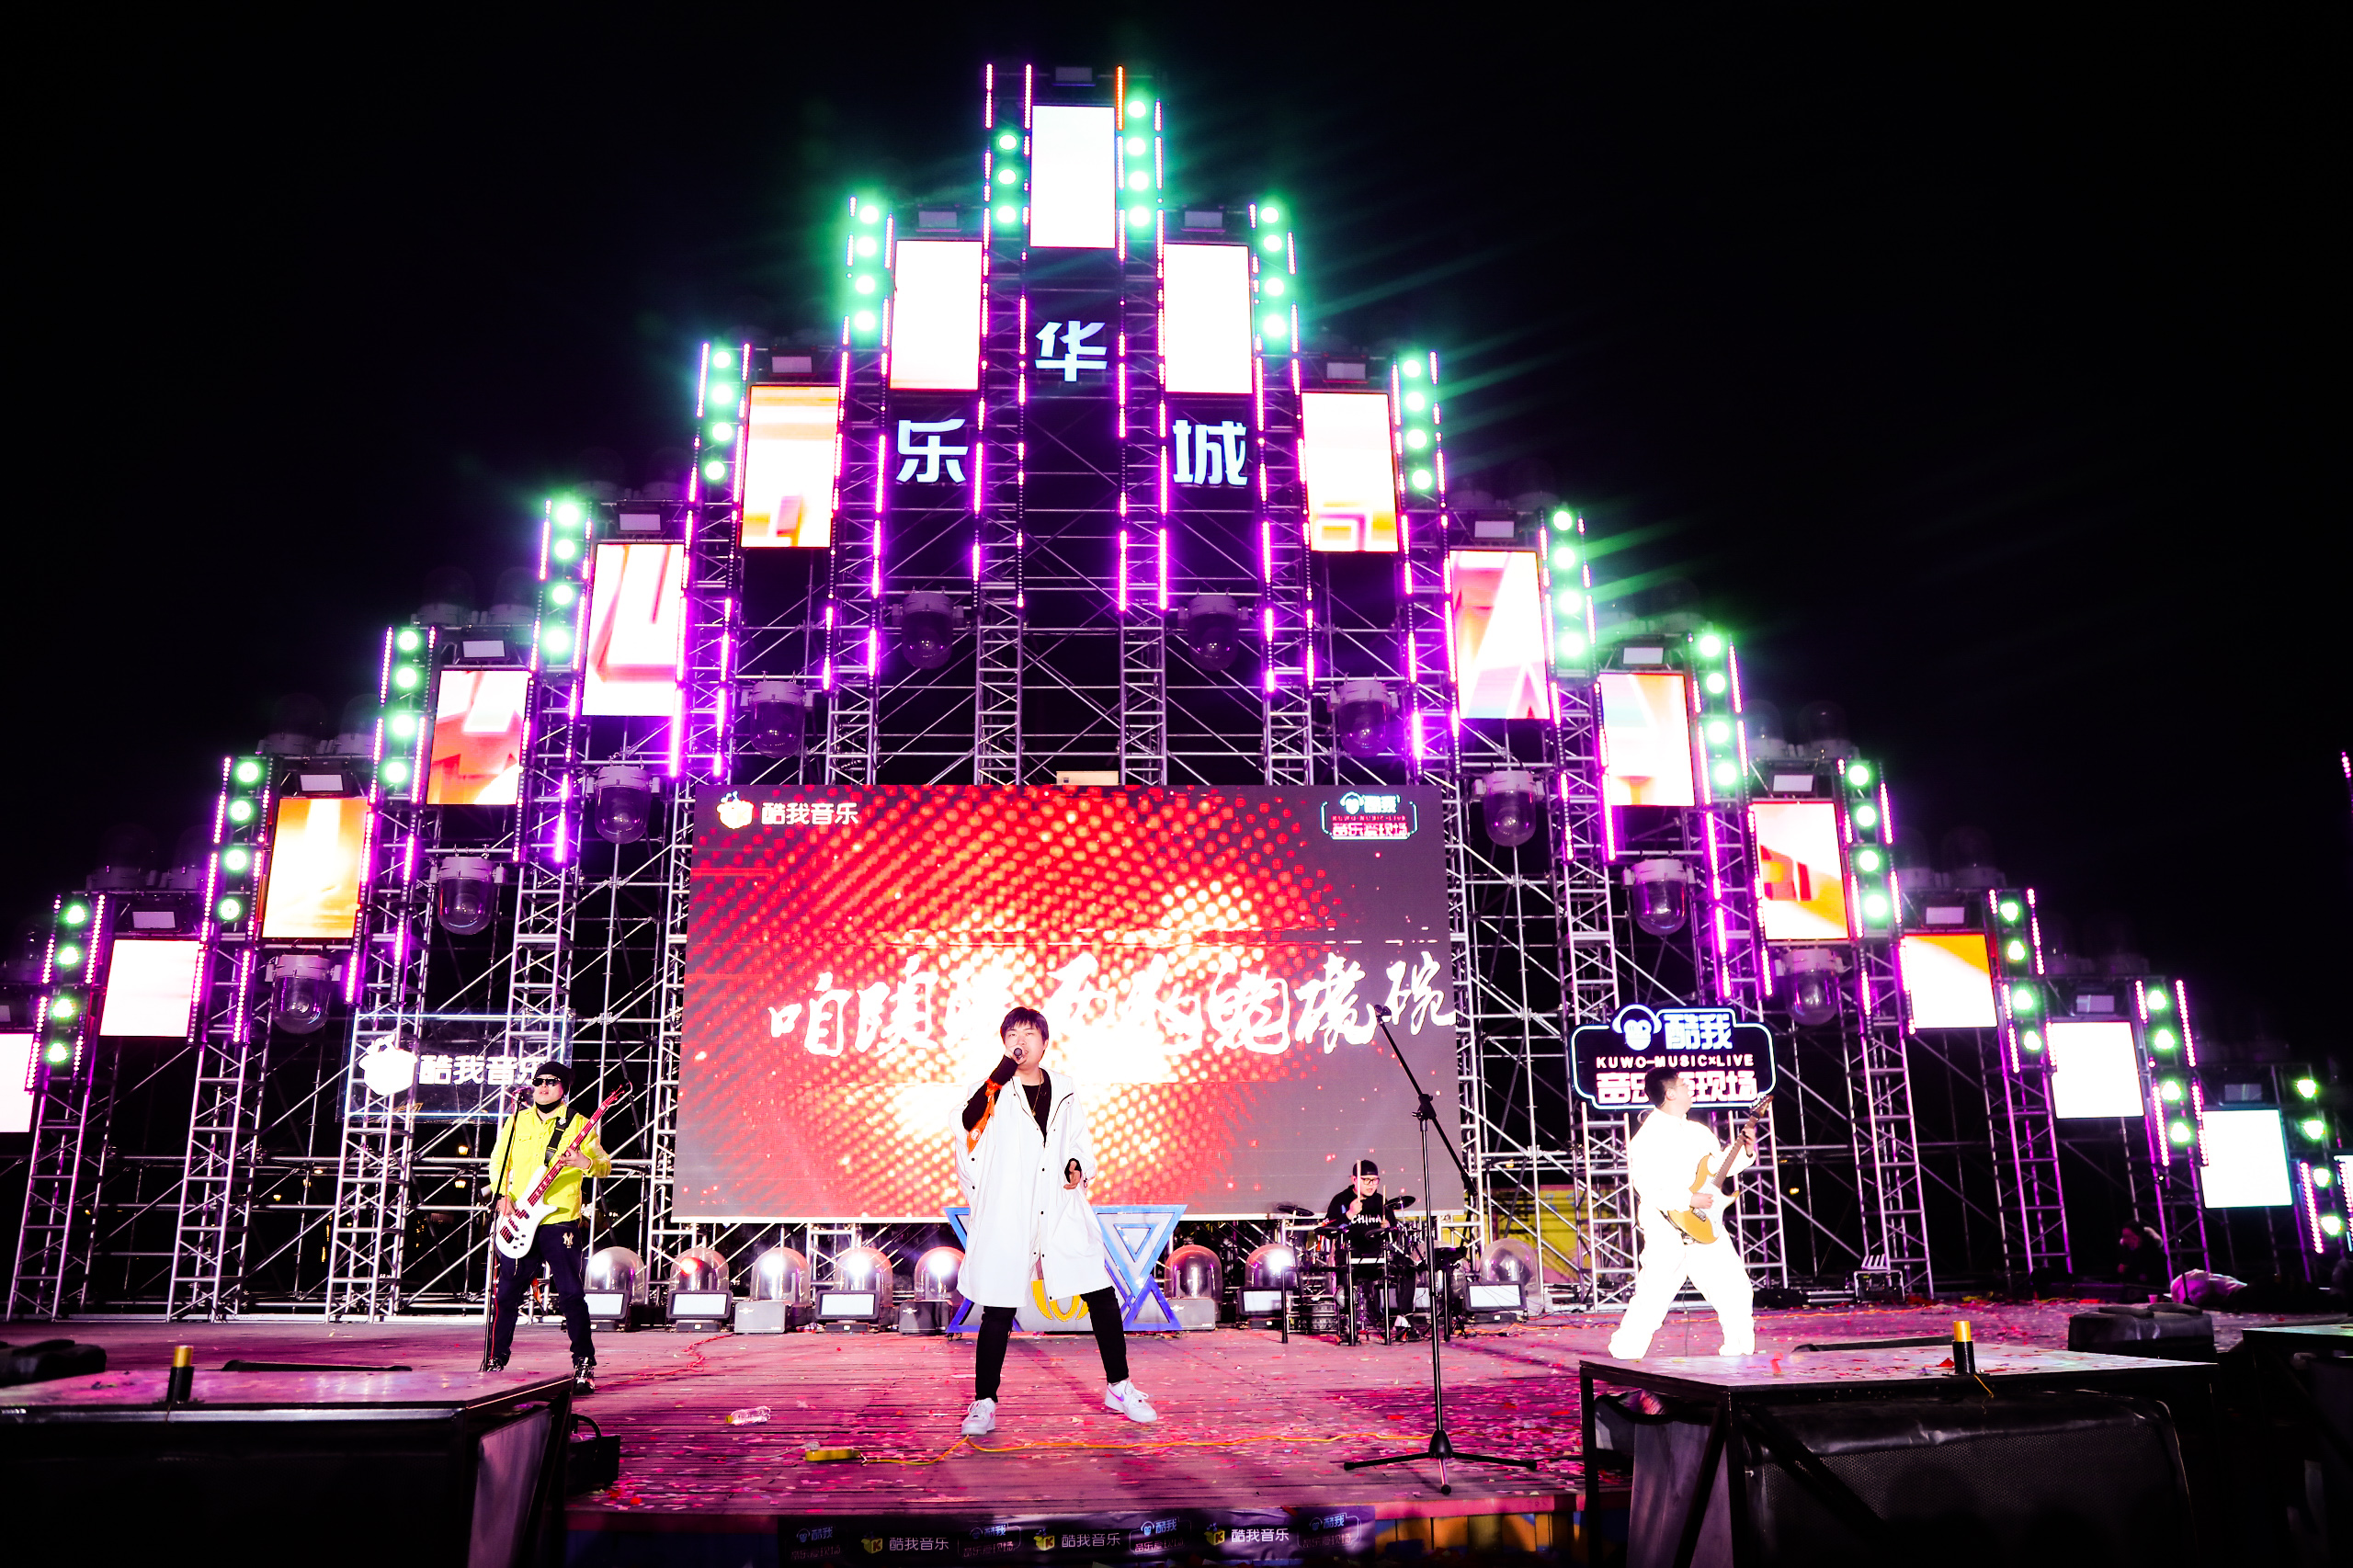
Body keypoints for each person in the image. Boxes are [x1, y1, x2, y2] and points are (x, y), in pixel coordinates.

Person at [955, 1007, 1156, 1437]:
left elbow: (1078, 1141)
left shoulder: (1064, 1088)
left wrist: (1078, 1166)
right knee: (999, 1305)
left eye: (1029, 1033)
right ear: (1004, 1043)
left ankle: (1119, 1387)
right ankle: (984, 1402)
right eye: (1012, 1034)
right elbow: (968, 1129)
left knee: (1099, 1292)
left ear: (1044, 1043)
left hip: (1060, 1205)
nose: (1020, 1041)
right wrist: (999, 1076)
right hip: (1011, 1210)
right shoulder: (989, 1089)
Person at [1606, 1066, 1758, 1359]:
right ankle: (1625, 1351)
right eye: (1683, 1085)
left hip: (1704, 1224)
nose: (1690, 1088)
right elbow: (1646, 1185)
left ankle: (1740, 1350)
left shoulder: (1698, 1132)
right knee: (1654, 1295)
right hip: (1666, 1226)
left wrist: (1745, 1151)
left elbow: (1716, 1168)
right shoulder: (1648, 1137)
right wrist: (1689, 1198)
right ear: (1670, 1093)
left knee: (1735, 1288)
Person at [485, 1060, 610, 1392]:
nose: (543, 1086)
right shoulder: (517, 1120)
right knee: (506, 1294)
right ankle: (495, 1359)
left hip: (559, 1219)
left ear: (563, 1088)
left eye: (551, 1081)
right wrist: (502, 1195)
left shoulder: (578, 1123)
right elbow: (499, 1162)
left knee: (571, 1294)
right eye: (539, 1080)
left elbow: (604, 1165)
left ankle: (584, 1362)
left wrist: (584, 1162)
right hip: (519, 1218)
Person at [2115, 1220, 2168, 1289]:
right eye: (2124, 1237)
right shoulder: (2128, 1253)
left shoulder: (2155, 1255)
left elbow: (2156, 1282)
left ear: (2139, 1237)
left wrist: (2129, 1270)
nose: (2124, 1240)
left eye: (2127, 1236)